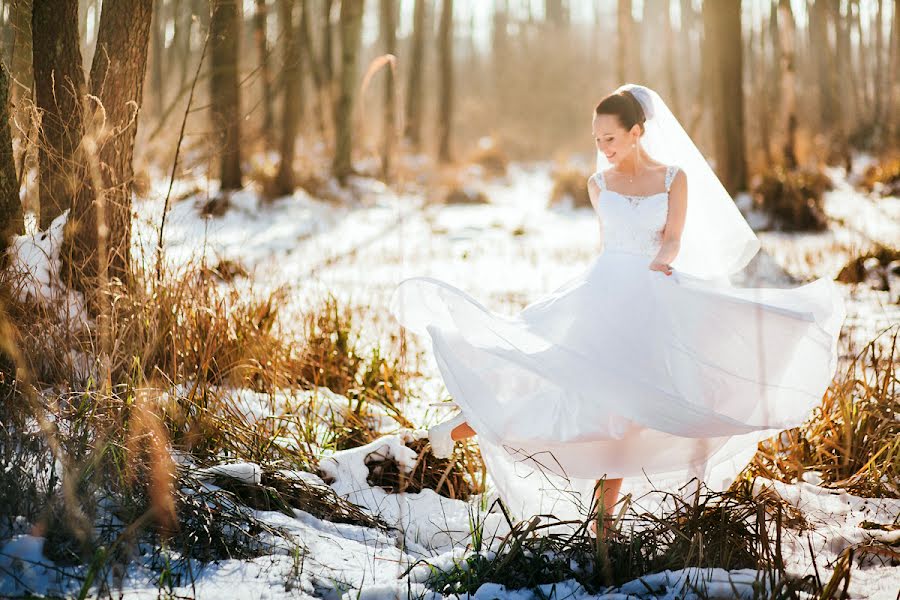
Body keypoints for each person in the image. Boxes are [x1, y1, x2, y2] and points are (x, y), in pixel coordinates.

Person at [389, 83, 846, 538]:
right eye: (597, 140)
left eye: (610, 138)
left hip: (650, 287)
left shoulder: (673, 178)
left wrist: (661, 263)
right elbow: (606, 245)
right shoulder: (597, 185)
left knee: (629, 405)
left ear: (636, 132)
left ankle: (607, 525)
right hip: (605, 291)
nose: (603, 149)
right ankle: (460, 427)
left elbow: (672, 238)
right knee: (559, 379)